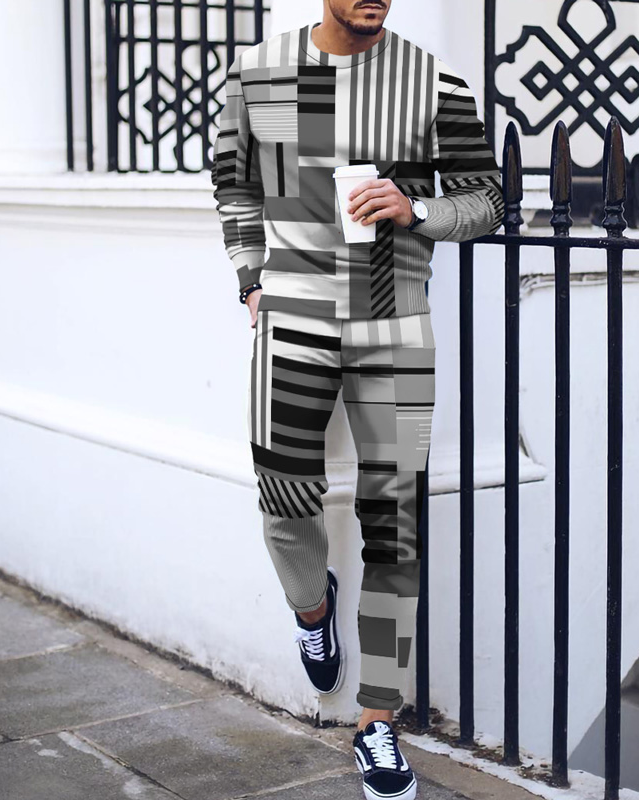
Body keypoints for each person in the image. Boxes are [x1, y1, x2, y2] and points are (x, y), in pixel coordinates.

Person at [211, 2, 503, 798]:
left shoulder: (434, 82)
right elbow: (233, 184)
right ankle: (313, 610)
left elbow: (487, 198)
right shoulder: (258, 73)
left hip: (395, 324)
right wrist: (251, 279)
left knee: (393, 520)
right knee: (283, 498)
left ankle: (378, 719)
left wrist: (418, 209)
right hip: (292, 320)